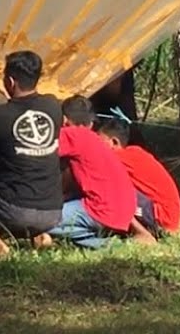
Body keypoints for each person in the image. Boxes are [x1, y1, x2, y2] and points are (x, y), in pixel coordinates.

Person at [0, 50, 63, 256]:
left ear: (10, 81)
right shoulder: (53, 106)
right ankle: (40, 236)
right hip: (53, 213)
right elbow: (23, 109)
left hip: (16, 210)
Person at [42, 96, 147, 249]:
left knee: (39, 221)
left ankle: (112, 244)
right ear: (90, 123)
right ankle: (111, 244)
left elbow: (37, 150)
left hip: (102, 210)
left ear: (64, 121)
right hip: (124, 211)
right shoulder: (93, 139)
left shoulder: (73, 134)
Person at [96, 118, 180, 238]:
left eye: (99, 142)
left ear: (114, 142)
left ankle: (141, 232)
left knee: (109, 188)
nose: (96, 147)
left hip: (161, 216)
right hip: (166, 214)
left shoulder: (119, 157)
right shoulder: (135, 153)